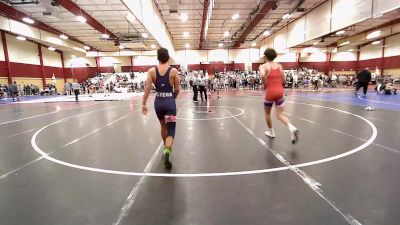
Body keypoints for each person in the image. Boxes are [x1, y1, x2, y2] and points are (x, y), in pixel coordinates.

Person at [142, 48, 180, 170]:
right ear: (168, 57)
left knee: (163, 126)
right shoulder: (174, 71)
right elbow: (177, 89)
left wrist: (143, 104)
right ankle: (167, 150)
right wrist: (172, 99)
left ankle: (165, 148)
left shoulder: (151, 71)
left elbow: (147, 88)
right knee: (171, 128)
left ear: (158, 58)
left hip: (158, 103)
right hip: (169, 103)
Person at [259, 48, 299, 144]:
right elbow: (284, 80)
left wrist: (265, 84)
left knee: (267, 113)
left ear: (265, 56)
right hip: (280, 91)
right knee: (280, 114)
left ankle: (271, 132)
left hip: (270, 92)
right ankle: (292, 128)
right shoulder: (279, 66)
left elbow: (262, 76)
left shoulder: (263, 66)